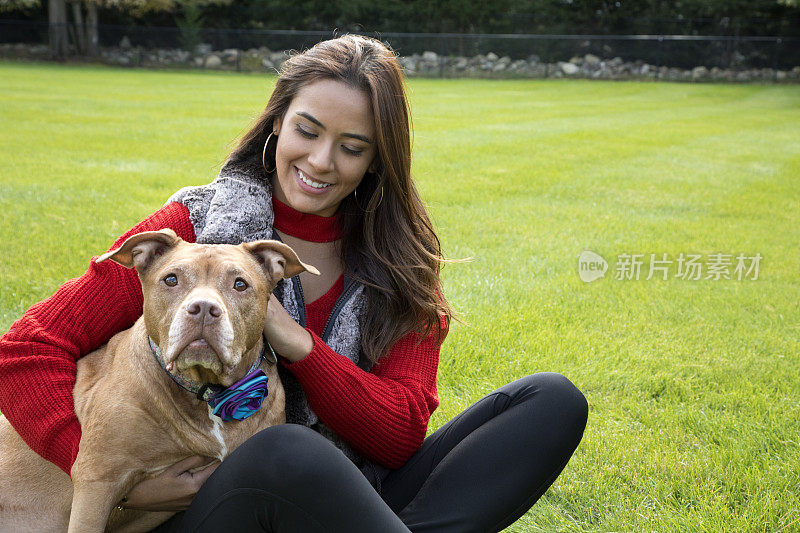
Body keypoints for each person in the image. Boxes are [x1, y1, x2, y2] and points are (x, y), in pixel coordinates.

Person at [0, 35, 588, 532]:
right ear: (277, 120)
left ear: (376, 161)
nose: (322, 161)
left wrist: (297, 344)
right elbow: (25, 350)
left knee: (551, 401)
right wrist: (107, 478)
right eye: (307, 130)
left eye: (352, 147)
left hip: (352, 494)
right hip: (215, 509)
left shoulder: (399, 266)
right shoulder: (192, 233)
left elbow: (402, 435)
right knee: (283, 447)